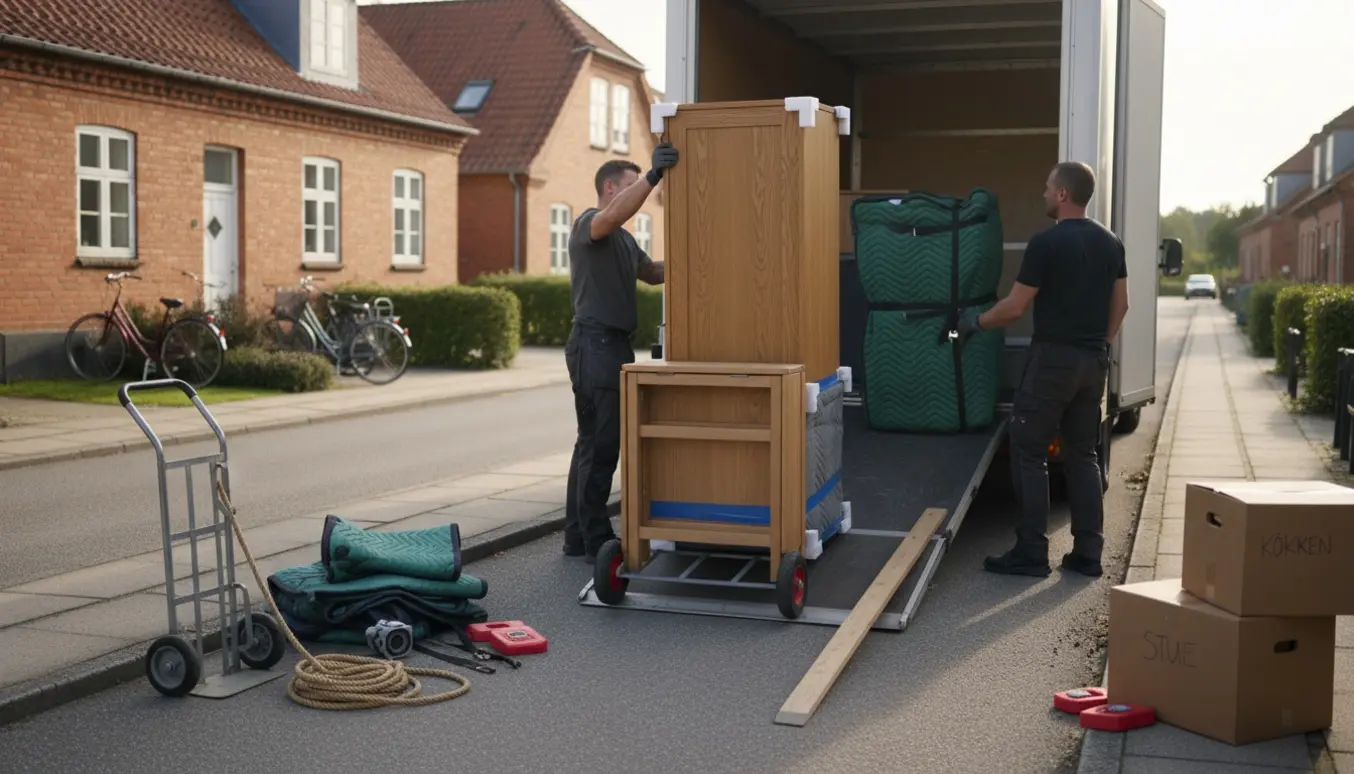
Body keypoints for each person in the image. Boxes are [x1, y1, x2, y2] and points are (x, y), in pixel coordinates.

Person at [957, 161, 1130, 579]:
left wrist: (973, 322)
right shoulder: (1111, 243)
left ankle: (1031, 551)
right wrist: (1099, 347)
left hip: (1053, 361)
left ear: (1064, 195)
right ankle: (1088, 553)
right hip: (1093, 362)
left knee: (1028, 449)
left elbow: (1015, 307)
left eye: (1048, 188)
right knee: (1083, 454)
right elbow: (1121, 304)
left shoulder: (1046, 243)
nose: (1044, 194)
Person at [563, 143, 680, 562]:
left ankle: (578, 536)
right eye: (632, 186)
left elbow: (651, 274)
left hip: (610, 346)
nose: (641, 193)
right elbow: (613, 216)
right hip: (593, 345)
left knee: (590, 444)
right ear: (610, 188)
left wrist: (698, 260)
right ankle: (598, 542)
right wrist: (652, 176)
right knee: (602, 444)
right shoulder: (589, 223)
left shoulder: (624, 240)